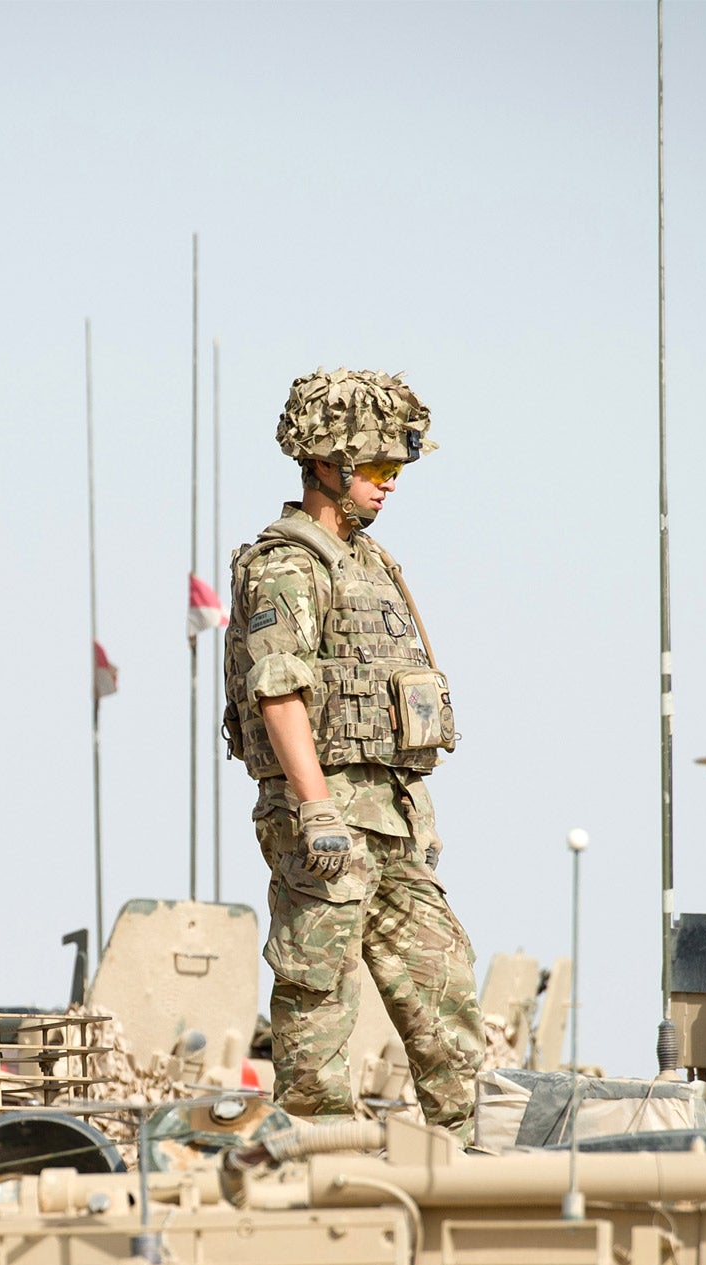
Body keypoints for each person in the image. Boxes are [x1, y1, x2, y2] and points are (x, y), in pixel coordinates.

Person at [222, 368, 484, 1140]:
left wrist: (418, 813)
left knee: (445, 984)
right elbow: (279, 691)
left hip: (391, 818)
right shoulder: (287, 565)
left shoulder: (370, 564)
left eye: (394, 470)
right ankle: (319, 1154)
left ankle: (465, 1154)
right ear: (327, 463)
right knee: (319, 992)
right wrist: (316, 808)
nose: (388, 486)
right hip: (326, 819)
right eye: (375, 469)